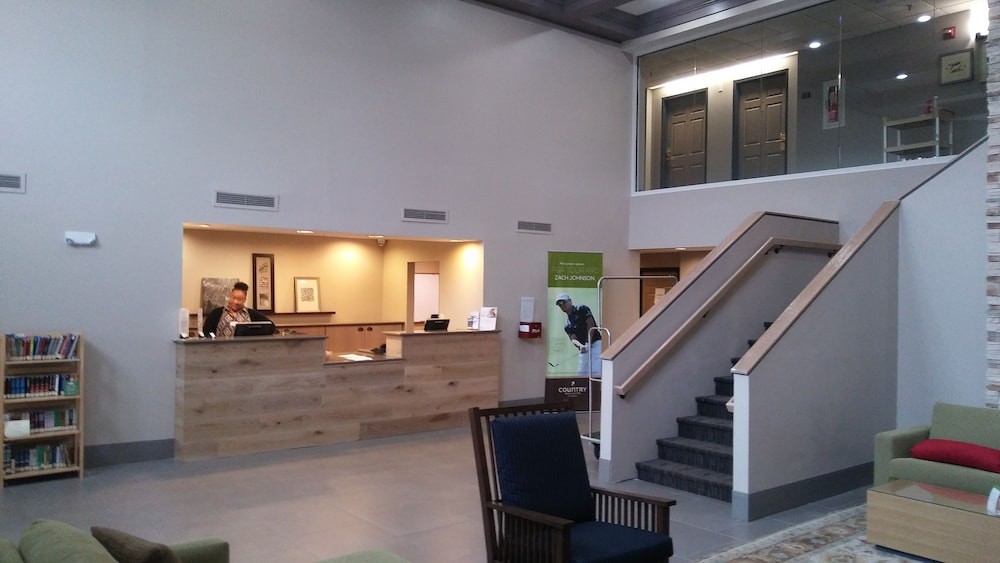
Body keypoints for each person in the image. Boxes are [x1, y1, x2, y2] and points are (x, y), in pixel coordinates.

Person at [555, 292, 602, 377]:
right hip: (584, 348)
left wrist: (588, 342)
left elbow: (590, 324)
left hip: (596, 343)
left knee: (596, 370)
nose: (562, 305)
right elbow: (573, 338)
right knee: (581, 373)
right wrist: (580, 346)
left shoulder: (582, 308)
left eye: (564, 302)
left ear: (570, 301)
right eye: (560, 304)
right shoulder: (567, 324)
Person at [203, 281, 272, 337]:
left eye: (239, 299)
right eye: (233, 298)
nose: (235, 302)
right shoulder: (217, 313)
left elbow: (270, 327)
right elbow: (206, 331)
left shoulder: (252, 314)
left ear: (244, 300)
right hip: (221, 348)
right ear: (230, 296)